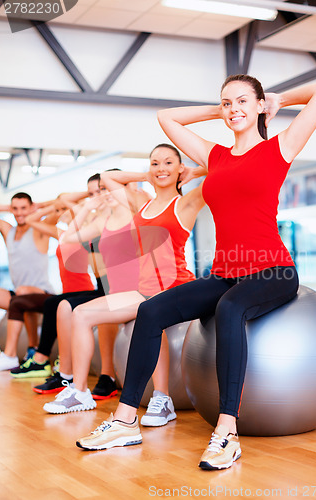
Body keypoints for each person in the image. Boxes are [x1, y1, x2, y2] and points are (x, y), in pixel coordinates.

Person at [75, 75, 316, 470]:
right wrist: (221, 110)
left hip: (273, 271)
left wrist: (275, 100)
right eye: (227, 103)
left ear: (260, 104)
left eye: (242, 102)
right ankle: (126, 419)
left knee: (230, 310)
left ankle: (227, 431)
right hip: (225, 272)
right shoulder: (215, 156)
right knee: (150, 312)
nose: (234, 109)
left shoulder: (280, 147)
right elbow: (167, 118)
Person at [43, 144, 205, 423]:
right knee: (81, 314)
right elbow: (108, 177)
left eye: (168, 163)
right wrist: (148, 173)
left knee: (153, 315)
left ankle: (162, 399)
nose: (161, 168)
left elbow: (224, 168)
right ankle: (79, 392)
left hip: (174, 285)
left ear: (180, 168)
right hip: (141, 289)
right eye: (155, 163)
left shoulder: (186, 203)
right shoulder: (141, 205)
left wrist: (193, 171)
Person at [9, 177, 101, 379]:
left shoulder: (87, 231)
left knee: (53, 304)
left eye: (62, 210)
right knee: (53, 304)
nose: (59, 214)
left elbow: (70, 202)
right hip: (67, 291)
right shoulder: (61, 233)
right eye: (58, 211)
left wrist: (83, 198)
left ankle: (43, 360)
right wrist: (48, 207)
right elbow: (32, 220)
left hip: (84, 288)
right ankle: (48, 359)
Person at [0, 192, 54, 371]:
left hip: (44, 294)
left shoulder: (39, 229)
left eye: (24, 208)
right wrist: (9, 209)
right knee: (20, 293)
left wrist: (37, 207)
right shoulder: (9, 231)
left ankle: (31, 348)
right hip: (19, 294)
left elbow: (60, 204)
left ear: (31, 207)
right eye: (15, 208)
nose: (19, 212)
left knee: (23, 292)